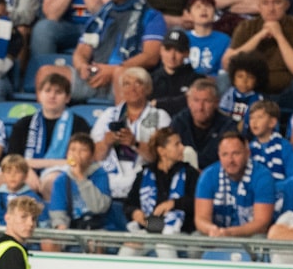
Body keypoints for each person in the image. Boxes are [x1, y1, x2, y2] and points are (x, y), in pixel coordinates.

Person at [55, 0, 166, 103]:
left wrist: (113, 70)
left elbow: (151, 56)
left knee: (121, 74)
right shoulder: (101, 14)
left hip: (124, 79)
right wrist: (82, 67)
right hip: (93, 76)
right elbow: (82, 50)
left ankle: (121, 121)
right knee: (46, 73)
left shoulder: (152, 16)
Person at [221, 0, 293, 104]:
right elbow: (227, 63)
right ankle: (225, 122)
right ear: (259, 6)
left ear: (286, 5)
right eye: (265, 3)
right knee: (223, 78)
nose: (271, 9)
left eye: (277, 2)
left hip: (286, 92)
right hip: (251, 89)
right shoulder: (246, 27)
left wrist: (279, 36)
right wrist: (258, 37)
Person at [90, 67, 170, 204]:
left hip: (144, 176)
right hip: (110, 175)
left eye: (138, 83)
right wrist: (106, 142)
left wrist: (135, 143)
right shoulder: (109, 115)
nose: (132, 88)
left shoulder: (160, 116)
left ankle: (149, 223)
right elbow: (94, 156)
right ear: (121, 89)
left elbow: (163, 157)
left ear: (148, 89)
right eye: (127, 84)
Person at [6, 72, 91, 193]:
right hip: (24, 169)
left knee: (53, 180)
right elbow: (12, 157)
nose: (52, 96)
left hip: (64, 171)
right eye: (47, 91)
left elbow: (77, 160)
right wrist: (27, 169)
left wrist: (34, 163)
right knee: (2, 177)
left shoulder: (79, 124)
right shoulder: (24, 123)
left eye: (58, 92)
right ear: (39, 95)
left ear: (67, 98)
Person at [123, 127, 198, 255]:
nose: (182, 148)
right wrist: (135, 212)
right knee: (129, 247)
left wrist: (174, 203)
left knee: (163, 244)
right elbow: (129, 204)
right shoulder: (144, 174)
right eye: (177, 144)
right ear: (162, 151)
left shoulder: (190, 173)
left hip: (180, 231)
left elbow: (198, 203)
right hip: (150, 228)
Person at [193, 130, 276, 240]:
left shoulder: (263, 176)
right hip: (217, 235)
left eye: (236, 153)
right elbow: (201, 219)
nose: (230, 160)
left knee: (259, 239)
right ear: (219, 155)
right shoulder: (208, 175)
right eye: (225, 154)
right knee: (196, 239)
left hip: (249, 235)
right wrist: (212, 230)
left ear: (247, 153)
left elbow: (261, 223)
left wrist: (229, 233)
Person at [31, 0, 109, 55]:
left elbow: (103, 14)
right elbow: (52, 15)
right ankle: (45, 66)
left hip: (97, 29)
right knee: (43, 29)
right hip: (67, 27)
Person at [169, 77, 232, 169]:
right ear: (188, 101)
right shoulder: (179, 122)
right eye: (196, 100)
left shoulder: (228, 126)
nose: (200, 107)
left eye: (206, 101)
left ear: (216, 103)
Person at [151, 29, 201, 116]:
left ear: (187, 53)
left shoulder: (196, 80)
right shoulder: (151, 79)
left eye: (178, 50)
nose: (172, 56)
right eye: (168, 49)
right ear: (161, 50)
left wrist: (159, 103)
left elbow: (191, 103)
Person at [247, 100, 293, 182]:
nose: (254, 122)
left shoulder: (284, 146)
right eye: (251, 118)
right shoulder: (249, 148)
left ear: (272, 122)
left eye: (260, 117)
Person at [184, 0, 230, 77]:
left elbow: (223, 73)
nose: (203, 9)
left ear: (214, 13)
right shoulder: (183, 38)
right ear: (190, 15)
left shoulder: (224, 40)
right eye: (198, 7)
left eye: (208, 6)